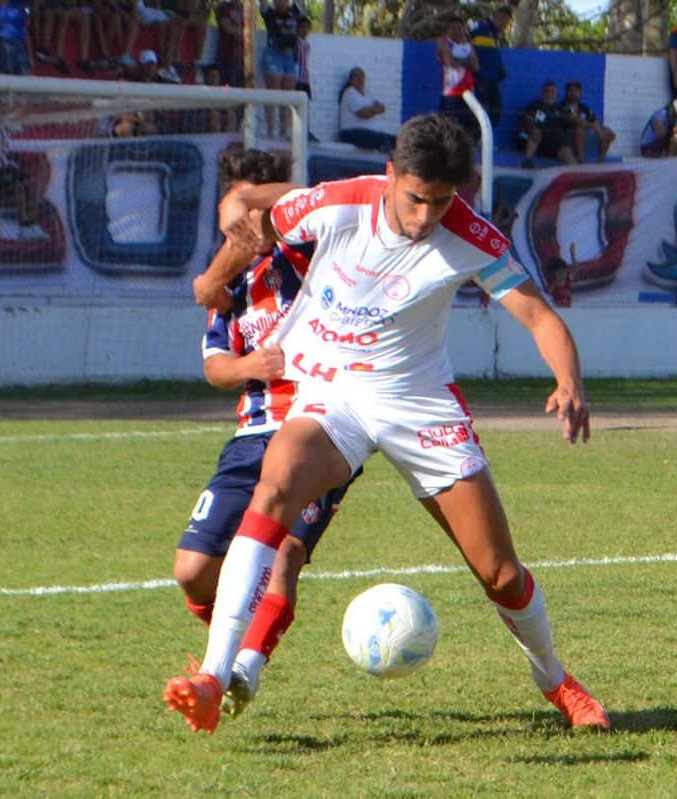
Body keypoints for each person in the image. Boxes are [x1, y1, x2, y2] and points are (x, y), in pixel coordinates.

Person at [163, 113, 609, 735]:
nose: (426, 216)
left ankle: (554, 678)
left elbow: (538, 317)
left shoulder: (471, 236)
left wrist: (570, 382)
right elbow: (262, 219)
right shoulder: (340, 204)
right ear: (391, 175)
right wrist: (227, 237)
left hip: (418, 402)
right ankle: (215, 676)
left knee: (500, 574)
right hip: (335, 395)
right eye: (415, 197)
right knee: (276, 486)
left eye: (442, 201)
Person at [177, 148, 360, 722]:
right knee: (191, 570)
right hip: (250, 435)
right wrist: (249, 367)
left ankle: (241, 669)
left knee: (286, 554)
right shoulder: (231, 289)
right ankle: (237, 634)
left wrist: (243, 218)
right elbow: (213, 366)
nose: (237, 226)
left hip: (319, 429)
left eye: (247, 211)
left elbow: (298, 200)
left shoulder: (310, 252)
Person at [260, 0, 301, 137]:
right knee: (273, 92)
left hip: (290, 56)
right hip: (273, 53)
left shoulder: (294, 11)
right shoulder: (270, 13)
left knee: (288, 95)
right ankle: (270, 130)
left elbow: (303, 6)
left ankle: (284, 131)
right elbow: (263, 3)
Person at [437, 14, 479, 143]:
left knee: (467, 126)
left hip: (468, 92)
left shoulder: (468, 45)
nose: (456, 31)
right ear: (447, 30)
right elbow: (450, 62)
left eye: (459, 28)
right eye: (452, 28)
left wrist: (459, 61)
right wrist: (466, 61)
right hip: (451, 92)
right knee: (448, 125)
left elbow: (475, 66)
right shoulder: (444, 42)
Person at [516, 80, 576, 169]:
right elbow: (527, 119)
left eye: (552, 91)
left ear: (556, 94)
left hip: (555, 146)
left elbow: (569, 124)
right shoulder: (535, 105)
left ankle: (575, 173)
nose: (549, 94)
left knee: (567, 151)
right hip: (539, 143)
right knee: (535, 133)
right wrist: (533, 128)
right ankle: (527, 161)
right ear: (542, 93)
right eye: (546, 91)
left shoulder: (561, 109)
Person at [468, 5, 511, 126]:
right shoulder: (480, 29)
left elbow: (494, 55)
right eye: (506, 22)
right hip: (481, 77)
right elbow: (468, 44)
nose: (506, 26)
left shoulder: (494, 35)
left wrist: (500, 70)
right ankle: (476, 138)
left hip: (493, 78)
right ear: (499, 18)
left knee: (496, 109)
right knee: (480, 110)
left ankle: (484, 137)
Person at [337, 67, 397, 153]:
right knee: (382, 139)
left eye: (362, 76)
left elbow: (382, 108)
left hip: (369, 132)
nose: (360, 79)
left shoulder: (368, 93)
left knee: (395, 140)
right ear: (351, 80)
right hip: (350, 132)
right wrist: (374, 110)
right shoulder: (350, 93)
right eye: (356, 76)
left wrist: (371, 110)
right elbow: (363, 114)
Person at [557, 80, 616, 163]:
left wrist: (600, 131)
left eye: (576, 91)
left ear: (580, 93)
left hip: (585, 137)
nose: (573, 93)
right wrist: (593, 126)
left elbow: (594, 121)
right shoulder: (561, 107)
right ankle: (581, 160)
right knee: (579, 129)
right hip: (566, 138)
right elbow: (574, 120)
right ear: (566, 92)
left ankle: (601, 159)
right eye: (570, 90)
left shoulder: (584, 108)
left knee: (607, 130)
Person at [0, 0, 31, 76]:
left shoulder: (17, 6)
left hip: (19, 45)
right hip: (2, 44)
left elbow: (25, 30)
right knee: (6, 74)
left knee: (25, 76)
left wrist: (30, 54)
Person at [215, 0, 244, 88]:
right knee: (226, 85)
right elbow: (228, 29)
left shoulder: (247, 10)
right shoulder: (224, 7)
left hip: (244, 56)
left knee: (242, 86)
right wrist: (244, 31)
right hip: (228, 53)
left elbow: (251, 31)